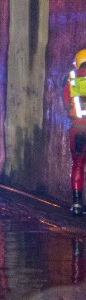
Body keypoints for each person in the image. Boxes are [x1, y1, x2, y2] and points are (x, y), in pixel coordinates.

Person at [65, 48, 86, 215]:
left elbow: (67, 102)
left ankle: (77, 205)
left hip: (77, 130)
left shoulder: (71, 79)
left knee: (78, 164)